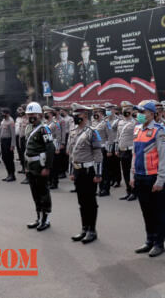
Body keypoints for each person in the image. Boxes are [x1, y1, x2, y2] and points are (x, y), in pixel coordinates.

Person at [131, 100, 165, 258]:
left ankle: (159, 244)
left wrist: (160, 180)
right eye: (138, 112)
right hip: (140, 176)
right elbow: (134, 155)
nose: (139, 115)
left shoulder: (159, 131)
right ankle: (149, 240)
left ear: (152, 114)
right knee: (146, 211)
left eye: (142, 112)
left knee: (158, 213)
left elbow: (163, 157)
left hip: (152, 178)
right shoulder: (137, 129)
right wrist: (132, 175)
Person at [68, 103, 103, 244]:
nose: (75, 117)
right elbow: (71, 154)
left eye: (78, 115)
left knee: (90, 202)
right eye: (74, 114)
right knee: (81, 201)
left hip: (89, 171)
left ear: (85, 116)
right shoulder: (73, 132)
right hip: (77, 171)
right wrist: (71, 171)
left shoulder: (92, 132)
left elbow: (98, 154)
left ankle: (92, 230)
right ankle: (84, 228)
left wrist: (98, 174)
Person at [24, 102, 56, 231]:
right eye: (29, 114)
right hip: (31, 164)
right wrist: (26, 166)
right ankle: (38, 217)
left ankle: (45, 219)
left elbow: (50, 148)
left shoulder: (44, 129)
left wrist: (47, 167)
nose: (31, 117)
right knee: (35, 193)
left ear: (40, 115)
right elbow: (27, 148)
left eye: (33, 114)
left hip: (40, 165)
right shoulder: (28, 128)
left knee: (43, 192)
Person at [117, 101, 137, 201]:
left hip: (131, 150)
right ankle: (128, 191)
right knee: (125, 172)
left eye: (127, 109)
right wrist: (117, 148)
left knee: (131, 172)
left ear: (132, 110)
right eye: (123, 109)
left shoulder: (135, 122)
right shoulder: (120, 122)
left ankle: (134, 192)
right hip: (122, 150)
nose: (125, 111)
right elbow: (118, 137)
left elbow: (137, 137)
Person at [92, 105, 112, 197]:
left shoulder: (106, 123)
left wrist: (109, 150)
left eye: (97, 112)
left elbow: (110, 137)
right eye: (94, 112)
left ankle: (105, 189)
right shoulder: (93, 123)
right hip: (95, 149)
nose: (95, 114)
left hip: (103, 148)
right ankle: (99, 188)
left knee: (105, 170)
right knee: (97, 169)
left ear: (101, 113)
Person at [43, 106, 62, 188]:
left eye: (46, 113)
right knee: (48, 165)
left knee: (54, 166)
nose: (45, 115)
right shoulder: (45, 123)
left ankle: (54, 182)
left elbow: (58, 136)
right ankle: (49, 181)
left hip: (53, 145)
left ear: (50, 113)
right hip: (46, 146)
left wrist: (57, 148)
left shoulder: (55, 123)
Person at [104, 103, 122, 188]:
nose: (108, 111)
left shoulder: (118, 120)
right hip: (107, 143)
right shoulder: (105, 120)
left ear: (114, 110)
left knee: (116, 163)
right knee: (108, 163)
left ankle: (117, 180)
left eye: (110, 109)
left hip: (115, 143)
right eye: (107, 109)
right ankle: (111, 179)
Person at [0, 108, 17, 182]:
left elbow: (13, 134)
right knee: (4, 158)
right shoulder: (3, 121)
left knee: (9, 159)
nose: (2, 114)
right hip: (3, 141)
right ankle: (8, 174)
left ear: (7, 113)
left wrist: (12, 145)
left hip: (8, 141)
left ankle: (12, 175)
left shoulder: (11, 121)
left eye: (4, 113)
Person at [15, 107, 27, 175]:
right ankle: (23, 167)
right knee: (21, 154)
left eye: (22, 112)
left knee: (25, 154)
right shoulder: (19, 119)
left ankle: (26, 169)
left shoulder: (28, 120)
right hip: (20, 137)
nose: (20, 113)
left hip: (25, 138)